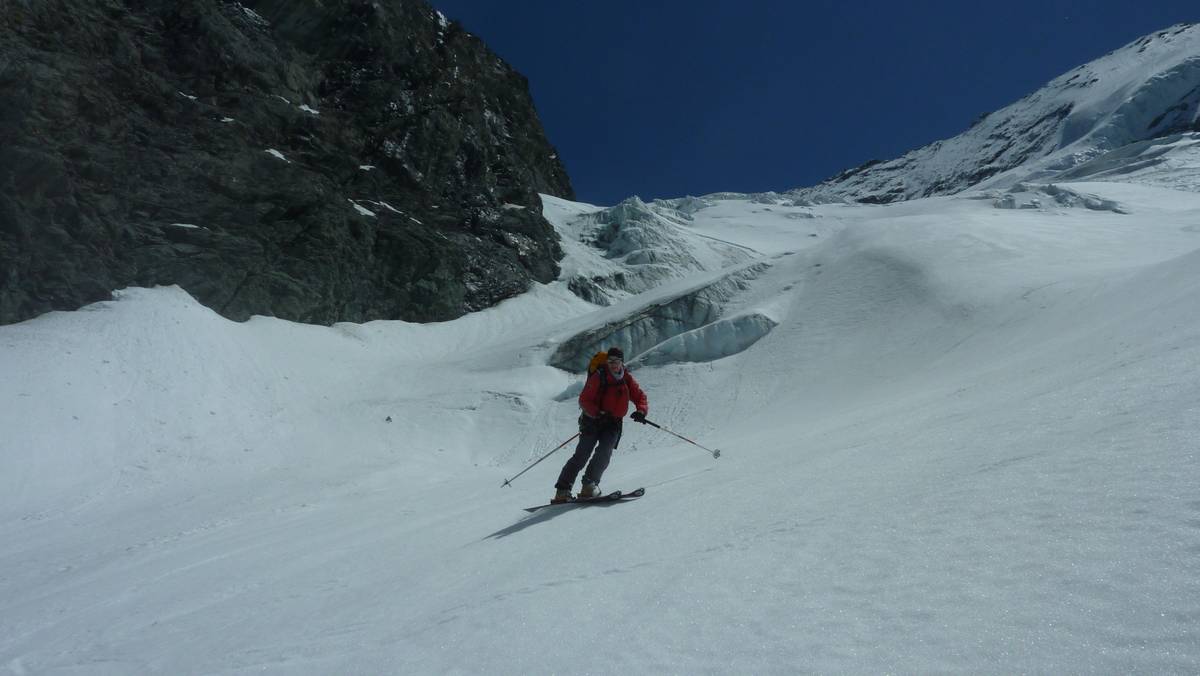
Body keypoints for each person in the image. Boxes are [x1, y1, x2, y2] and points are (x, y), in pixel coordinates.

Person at [553, 346, 648, 503]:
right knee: (581, 456)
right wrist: (597, 413)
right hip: (592, 422)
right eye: (610, 361)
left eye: (616, 361)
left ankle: (589, 486)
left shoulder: (626, 378)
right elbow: (584, 400)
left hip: (613, 424)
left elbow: (639, 396)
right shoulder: (599, 376)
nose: (613, 364)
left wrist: (641, 411)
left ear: (622, 362)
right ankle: (562, 490)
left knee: (604, 453)